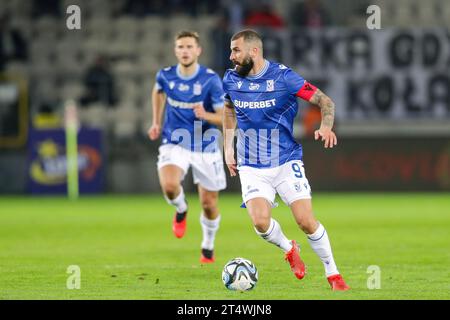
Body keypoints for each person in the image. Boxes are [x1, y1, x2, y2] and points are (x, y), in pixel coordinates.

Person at [222, 29, 350, 290]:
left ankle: (333, 273)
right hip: (251, 164)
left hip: (285, 160)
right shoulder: (231, 80)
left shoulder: (284, 77)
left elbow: (326, 102)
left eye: (236, 50)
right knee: (259, 221)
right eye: (231, 50)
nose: (231, 56)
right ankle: (289, 248)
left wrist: (326, 127)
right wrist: (228, 148)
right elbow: (228, 109)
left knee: (305, 221)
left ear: (254, 51)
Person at [148, 31, 226, 263]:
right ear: (175, 50)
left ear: (198, 50)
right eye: (181, 47)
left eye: (189, 47)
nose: (185, 51)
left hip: (206, 145)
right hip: (174, 141)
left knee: (209, 203)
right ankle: (181, 209)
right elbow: (157, 92)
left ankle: (208, 247)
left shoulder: (211, 80)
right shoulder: (166, 76)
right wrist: (156, 121)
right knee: (170, 186)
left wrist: (206, 114)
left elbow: (225, 118)